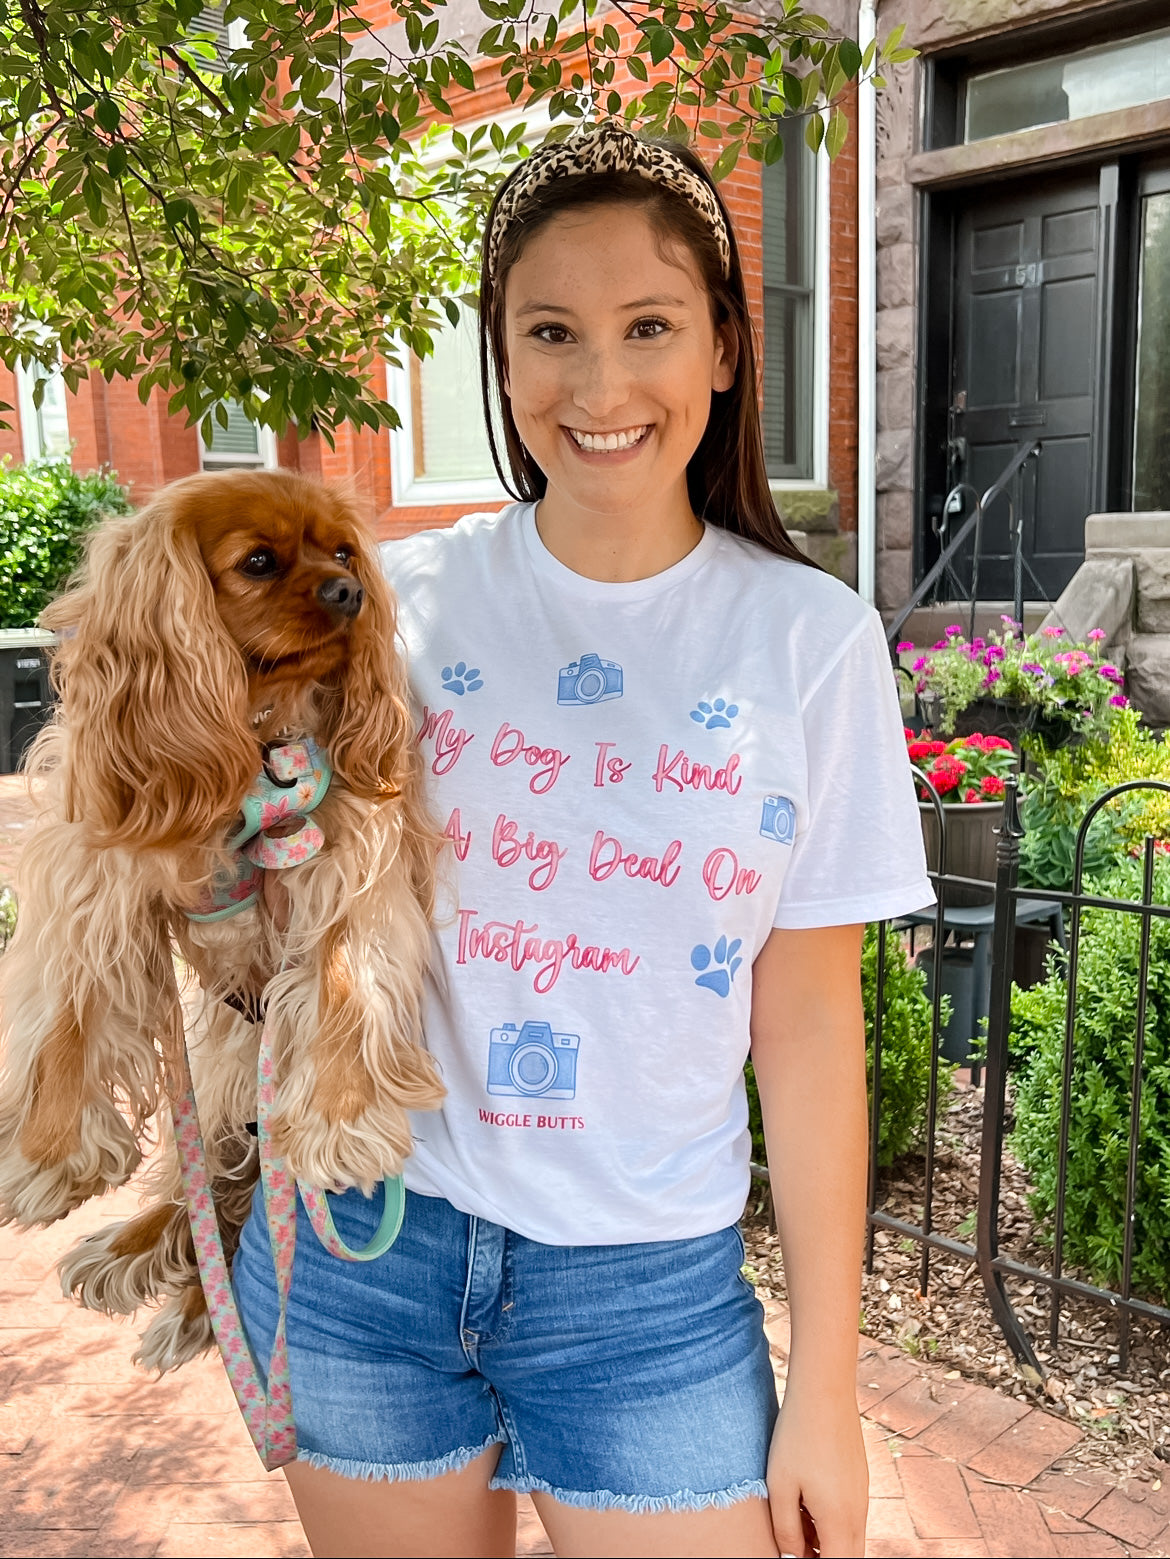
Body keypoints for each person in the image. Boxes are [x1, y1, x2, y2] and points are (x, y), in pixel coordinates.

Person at [234, 120, 933, 1559]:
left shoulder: (810, 642)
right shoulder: (385, 605)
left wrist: (829, 1390)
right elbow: (260, 877)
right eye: (550, 332)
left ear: (726, 350)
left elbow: (805, 1031)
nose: (600, 385)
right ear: (499, 358)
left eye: (649, 328)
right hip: (369, 1244)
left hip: (646, 1298)